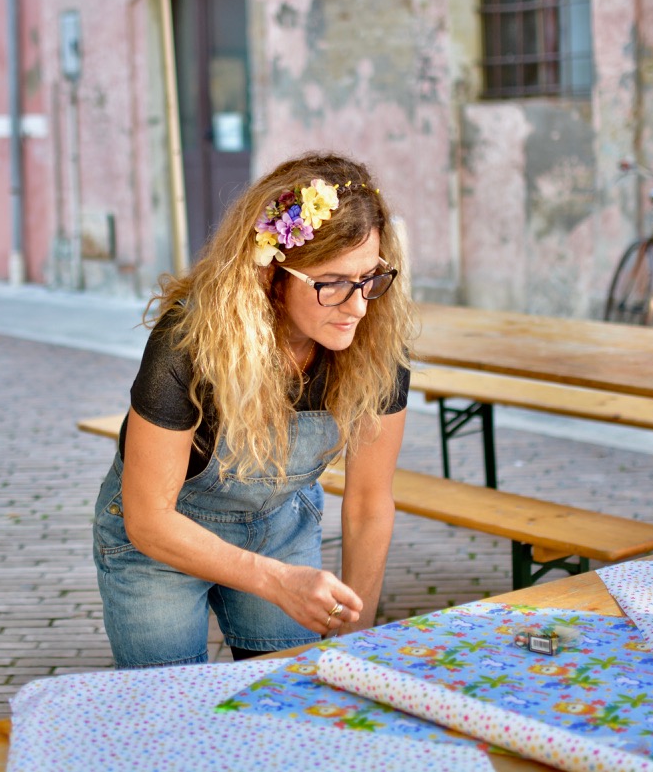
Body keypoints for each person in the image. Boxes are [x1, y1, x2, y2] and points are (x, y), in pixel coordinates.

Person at [92, 152, 413, 668]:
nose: (358, 306)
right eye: (331, 284)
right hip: (161, 538)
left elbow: (370, 505)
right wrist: (277, 581)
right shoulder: (187, 342)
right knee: (171, 709)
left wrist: (357, 643)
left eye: (370, 278)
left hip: (277, 525)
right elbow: (149, 519)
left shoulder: (374, 345)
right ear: (271, 277)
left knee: (288, 696)